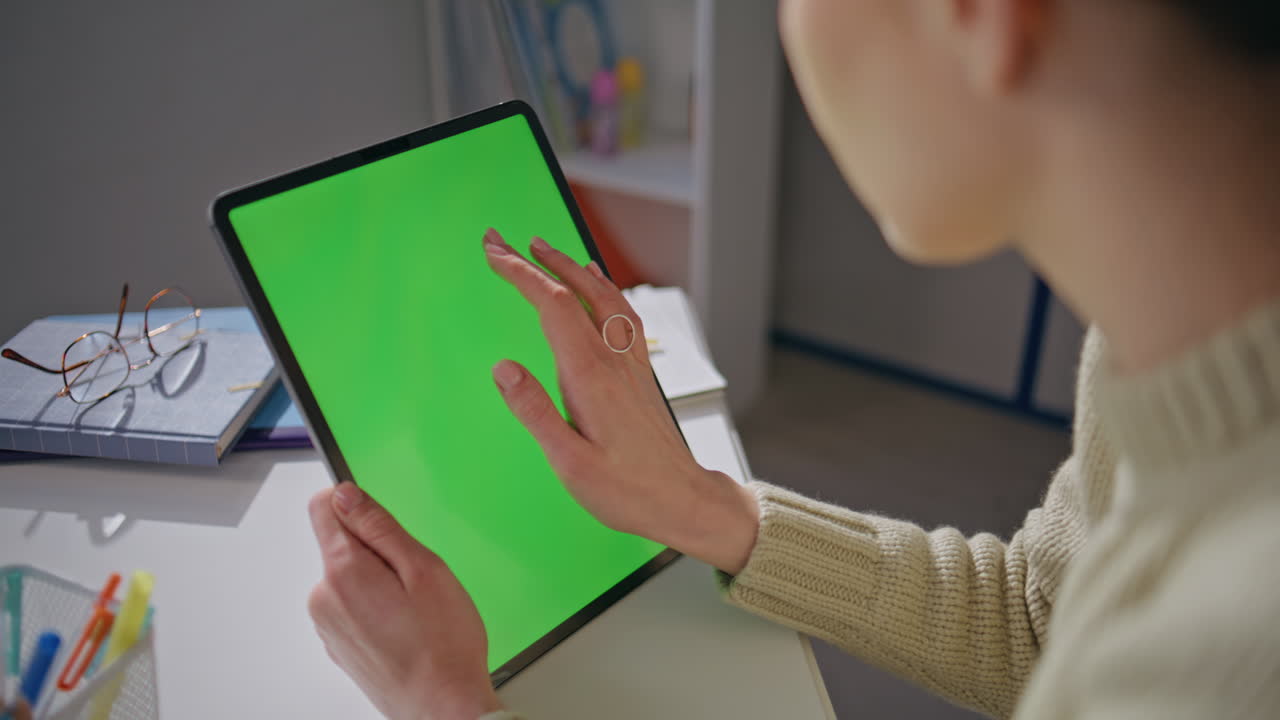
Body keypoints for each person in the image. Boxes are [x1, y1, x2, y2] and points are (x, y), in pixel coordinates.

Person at [304, 0, 1280, 718]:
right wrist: (700, 505)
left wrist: (445, 704)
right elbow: (1040, 621)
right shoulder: (1171, 339)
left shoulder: (1229, 657)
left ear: (978, 14)